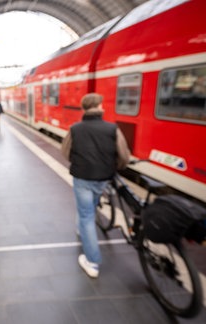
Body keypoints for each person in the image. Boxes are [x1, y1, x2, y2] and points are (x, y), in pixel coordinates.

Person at [67, 93, 130, 278]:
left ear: (84, 108)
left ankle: (92, 262)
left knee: (86, 215)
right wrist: (114, 166)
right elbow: (124, 156)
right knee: (90, 208)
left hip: (82, 177)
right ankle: (82, 231)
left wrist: (79, 161)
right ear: (100, 106)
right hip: (102, 177)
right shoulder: (113, 129)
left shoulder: (75, 129)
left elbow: (65, 151)